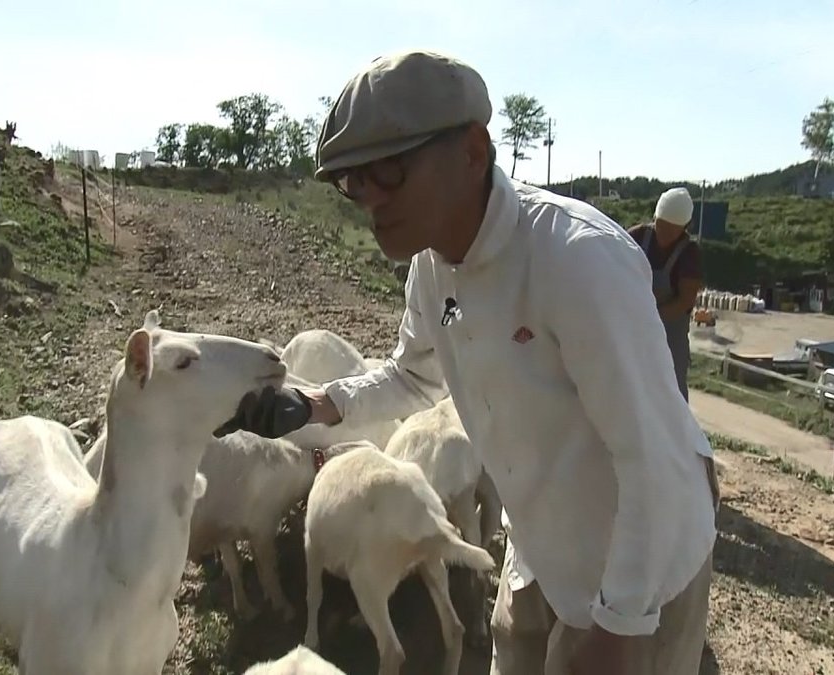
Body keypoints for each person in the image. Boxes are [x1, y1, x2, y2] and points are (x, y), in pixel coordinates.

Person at [215, 50, 719, 675]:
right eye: (352, 181)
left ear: (473, 152)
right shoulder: (432, 270)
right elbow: (413, 375)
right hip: (540, 545)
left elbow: (653, 459)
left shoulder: (577, 263)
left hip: (643, 566)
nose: (370, 200)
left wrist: (620, 627)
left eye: (389, 170)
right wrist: (317, 403)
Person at [625, 188, 704, 401]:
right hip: (631, 332)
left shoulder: (689, 254)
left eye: (672, 230)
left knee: (671, 395)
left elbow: (684, 301)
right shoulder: (636, 237)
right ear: (655, 218)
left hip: (669, 340)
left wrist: (648, 319)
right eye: (661, 226)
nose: (664, 235)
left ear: (684, 228)